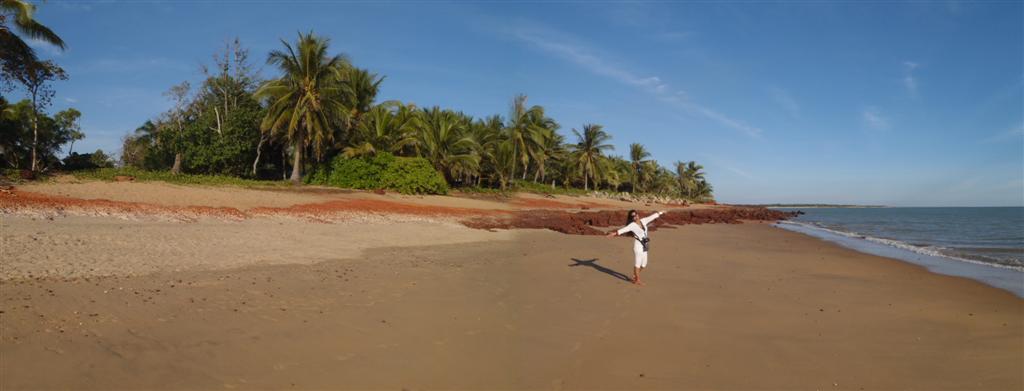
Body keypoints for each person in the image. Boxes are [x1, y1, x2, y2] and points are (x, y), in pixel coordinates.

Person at [605, 209, 667, 285]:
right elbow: (623, 230)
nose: (635, 216)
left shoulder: (643, 221)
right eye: (633, 216)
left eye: (636, 214)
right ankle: (637, 280)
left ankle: (635, 275)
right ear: (632, 218)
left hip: (645, 246)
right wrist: (613, 234)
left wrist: (661, 212)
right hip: (638, 246)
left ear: (638, 214)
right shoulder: (632, 225)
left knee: (644, 264)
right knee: (637, 263)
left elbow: (652, 217)